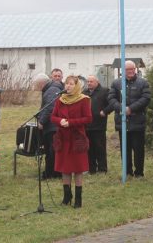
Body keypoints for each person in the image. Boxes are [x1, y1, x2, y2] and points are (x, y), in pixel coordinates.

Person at [51, 75, 92, 208]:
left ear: (77, 86)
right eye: (66, 84)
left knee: (78, 169)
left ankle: (78, 199)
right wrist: (60, 121)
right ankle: (67, 197)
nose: (67, 86)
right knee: (65, 169)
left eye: (71, 84)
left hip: (76, 139)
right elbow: (53, 117)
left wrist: (71, 123)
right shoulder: (60, 100)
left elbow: (88, 118)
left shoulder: (84, 100)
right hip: (63, 139)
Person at [108, 60, 151, 178]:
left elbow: (146, 98)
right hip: (122, 122)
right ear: (123, 70)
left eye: (132, 69)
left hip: (137, 121)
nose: (130, 71)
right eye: (128, 69)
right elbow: (111, 99)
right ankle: (127, 171)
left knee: (138, 149)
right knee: (124, 149)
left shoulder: (143, 83)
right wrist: (121, 108)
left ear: (135, 69)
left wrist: (130, 109)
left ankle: (139, 172)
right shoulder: (116, 83)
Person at [33, 73, 61, 179]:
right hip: (52, 125)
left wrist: (42, 121)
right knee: (52, 151)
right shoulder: (50, 89)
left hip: (52, 126)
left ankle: (51, 173)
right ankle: (54, 172)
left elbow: (50, 107)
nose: (36, 87)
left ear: (41, 83)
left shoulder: (51, 90)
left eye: (36, 84)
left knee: (51, 151)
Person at [84, 75, 112, 174]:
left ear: (97, 82)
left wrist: (105, 111)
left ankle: (102, 169)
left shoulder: (104, 91)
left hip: (99, 125)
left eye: (91, 81)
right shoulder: (84, 93)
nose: (89, 83)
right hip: (87, 126)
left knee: (100, 148)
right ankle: (91, 168)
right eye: (88, 81)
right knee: (89, 148)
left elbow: (112, 104)